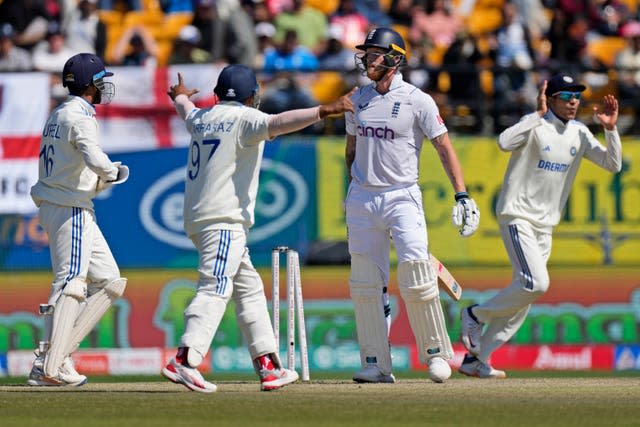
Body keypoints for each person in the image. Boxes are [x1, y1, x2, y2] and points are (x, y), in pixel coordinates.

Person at [161, 64, 354, 393]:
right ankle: (184, 359)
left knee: (247, 289)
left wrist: (179, 96)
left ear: (219, 94)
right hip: (223, 220)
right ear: (251, 96)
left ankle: (268, 365)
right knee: (214, 287)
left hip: (200, 219)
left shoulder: (203, 117)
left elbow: (186, 109)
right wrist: (325, 110)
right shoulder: (245, 119)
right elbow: (279, 122)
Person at [459, 74, 622, 379]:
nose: (574, 102)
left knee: (525, 298)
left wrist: (610, 130)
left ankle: (477, 360)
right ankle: (474, 314)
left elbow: (612, 164)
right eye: (566, 96)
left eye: (577, 97)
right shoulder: (535, 125)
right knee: (536, 284)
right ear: (552, 99)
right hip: (517, 216)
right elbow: (504, 142)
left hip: (545, 226)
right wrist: (535, 114)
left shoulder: (579, 133)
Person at [344, 27, 480, 384]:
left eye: (374, 53)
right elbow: (350, 150)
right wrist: (354, 189)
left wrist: (462, 194)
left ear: (394, 58)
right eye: (366, 53)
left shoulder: (418, 100)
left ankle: (436, 356)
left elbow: (444, 147)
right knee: (365, 283)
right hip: (362, 197)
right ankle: (376, 363)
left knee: (417, 277)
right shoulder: (356, 99)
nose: (367, 59)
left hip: (402, 195)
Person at [28, 53, 129, 386]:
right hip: (68, 205)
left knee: (111, 282)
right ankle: (49, 364)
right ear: (90, 85)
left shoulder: (59, 112)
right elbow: (90, 153)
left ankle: (56, 354)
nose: (104, 87)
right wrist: (113, 171)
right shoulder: (79, 116)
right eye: (101, 81)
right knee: (71, 280)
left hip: (68, 203)